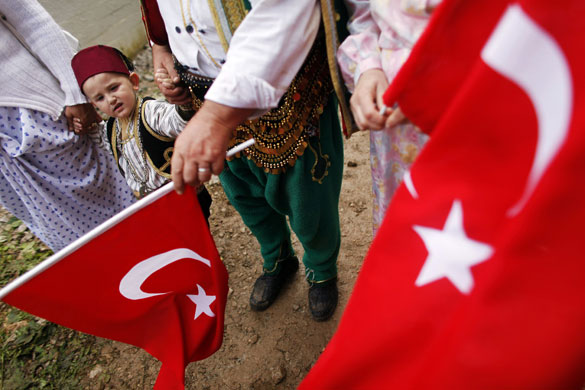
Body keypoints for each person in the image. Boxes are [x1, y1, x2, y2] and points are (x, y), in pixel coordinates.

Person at [139, 0, 357, 321]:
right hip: (203, 89)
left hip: (285, 80)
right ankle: (277, 257)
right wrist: (162, 48)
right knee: (242, 191)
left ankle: (321, 268)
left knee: (307, 195)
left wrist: (214, 118)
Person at [0, 0, 136, 252]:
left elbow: (33, 21)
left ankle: (162, 264)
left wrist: (74, 93)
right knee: (56, 230)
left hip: (35, 114)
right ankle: (115, 282)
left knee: (113, 202)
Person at [70, 45, 212, 220]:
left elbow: (177, 122)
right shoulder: (110, 129)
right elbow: (97, 139)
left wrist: (183, 104)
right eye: (100, 98)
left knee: (195, 240)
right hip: (151, 204)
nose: (111, 99)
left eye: (114, 88)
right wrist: (81, 125)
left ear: (134, 82)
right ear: (94, 105)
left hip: (183, 196)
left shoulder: (150, 112)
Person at [337, 0, 441, 233]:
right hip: (395, 119)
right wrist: (368, 66)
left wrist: (447, 73)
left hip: (478, 100)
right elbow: (362, 13)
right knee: (405, 221)